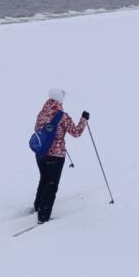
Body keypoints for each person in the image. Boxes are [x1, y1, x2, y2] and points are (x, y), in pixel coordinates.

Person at [33, 88, 89, 223]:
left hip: (40, 153)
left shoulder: (42, 113)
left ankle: (38, 205)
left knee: (44, 179)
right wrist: (84, 119)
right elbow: (76, 132)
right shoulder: (62, 116)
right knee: (52, 185)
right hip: (56, 155)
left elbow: (36, 129)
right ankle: (43, 217)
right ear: (59, 99)